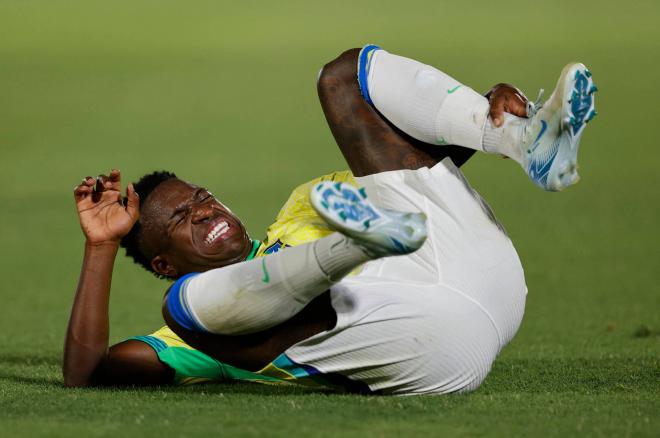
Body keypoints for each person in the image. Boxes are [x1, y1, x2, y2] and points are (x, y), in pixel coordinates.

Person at [64, 45, 596, 394]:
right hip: (425, 342)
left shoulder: (307, 200)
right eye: (183, 218)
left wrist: (487, 119)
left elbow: (413, 170)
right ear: (164, 259)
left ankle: (527, 143)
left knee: (341, 77)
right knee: (186, 310)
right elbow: (86, 374)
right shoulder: (191, 340)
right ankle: (351, 248)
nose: (204, 210)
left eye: (202, 197)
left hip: (481, 270)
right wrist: (100, 246)